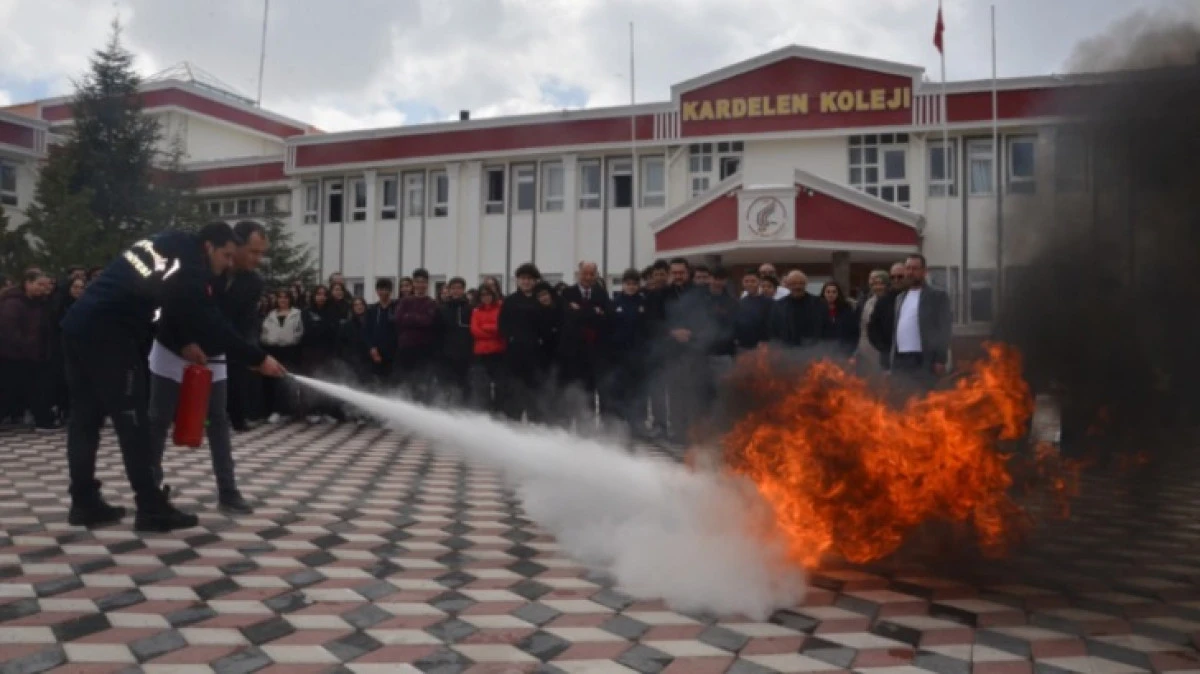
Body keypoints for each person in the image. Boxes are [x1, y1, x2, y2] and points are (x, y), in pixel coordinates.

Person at [60, 224, 285, 532]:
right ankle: (150, 507)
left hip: (77, 327)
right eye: (226, 255)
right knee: (133, 421)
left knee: (85, 418)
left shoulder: (171, 242)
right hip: (110, 335)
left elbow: (165, 303)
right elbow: (207, 321)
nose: (228, 263)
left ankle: (84, 501)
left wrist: (183, 343)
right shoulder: (188, 264)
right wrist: (258, 359)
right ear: (209, 246)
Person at [147, 222, 276, 516]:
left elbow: (241, 327)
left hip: (215, 354)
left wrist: (253, 357)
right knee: (158, 419)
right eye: (253, 251)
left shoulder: (252, 283)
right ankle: (150, 488)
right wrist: (184, 343)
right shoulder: (195, 268)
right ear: (234, 245)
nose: (257, 259)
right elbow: (170, 310)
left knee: (218, 420)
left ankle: (228, 492)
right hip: (172, 348)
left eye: (261, 253)